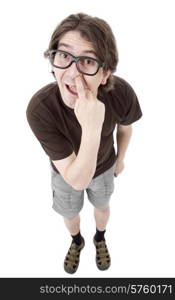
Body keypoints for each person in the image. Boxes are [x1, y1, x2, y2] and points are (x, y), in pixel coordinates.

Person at [26, 13, 142, 274]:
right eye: (64, 56)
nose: (72, 72)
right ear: (53, 61)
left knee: (102, 207)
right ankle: (77, 241)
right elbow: (76, 179)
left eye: (88, 61)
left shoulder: (120, 93)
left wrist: (121, 158)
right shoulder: (39, 109)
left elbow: (126, 127)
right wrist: (91, 126)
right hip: (66, 174)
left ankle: (100, 238)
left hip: (104, 168)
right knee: (70, 214)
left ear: (105, 74)